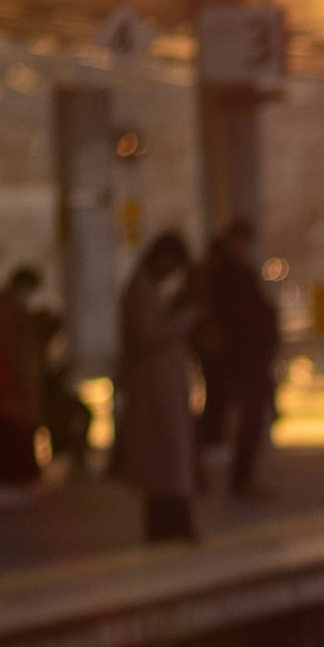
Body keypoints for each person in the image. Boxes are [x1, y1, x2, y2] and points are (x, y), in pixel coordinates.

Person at [118, 233, 202, 544]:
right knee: (168, 457)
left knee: (167, 459)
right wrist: (184, 318)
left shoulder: (147, 289)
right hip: (154, 388)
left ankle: (167, 525)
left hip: (161, 385)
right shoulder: (140, 291)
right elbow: (147, 335)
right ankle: (173, 525)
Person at [198, 218, 280, 498]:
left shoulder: (241, 273)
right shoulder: (221, 276)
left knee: (247, 421)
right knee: (229, 420)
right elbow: (235, 318)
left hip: (250, 360)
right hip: (235, 361)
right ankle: (231, 480)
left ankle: (240, 479)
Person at [0, 266, 52, 495]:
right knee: (10, 435)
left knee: (15, 434)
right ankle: (8, 484)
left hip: (12, 382)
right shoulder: (7, 309)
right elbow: (9, 345)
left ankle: (14, 483)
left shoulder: (9, 307)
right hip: (7, 382)